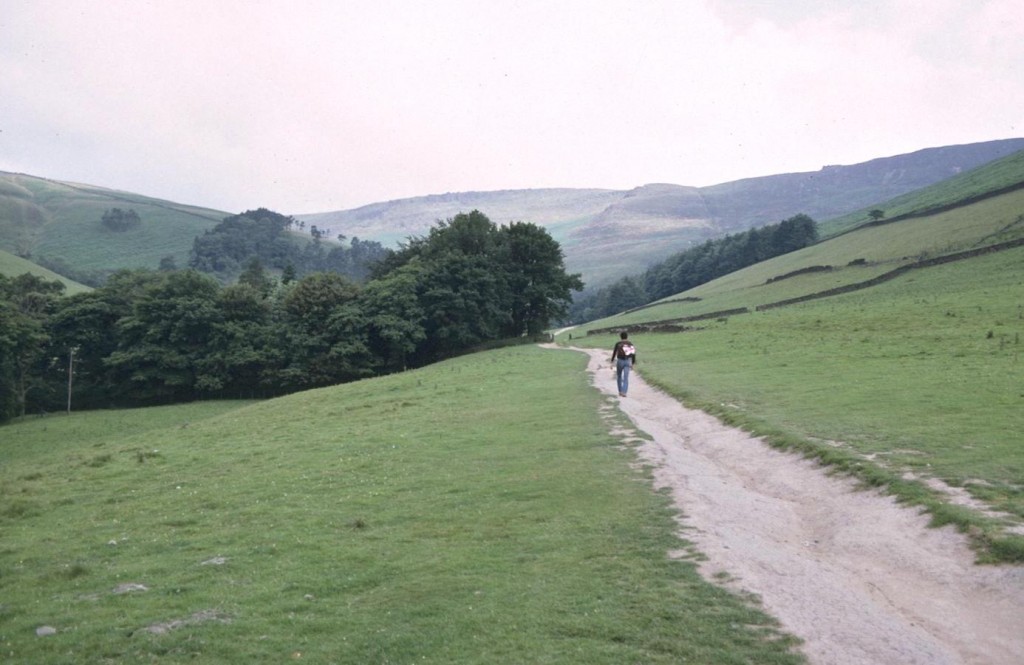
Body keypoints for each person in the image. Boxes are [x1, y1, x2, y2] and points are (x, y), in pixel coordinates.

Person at [610, 331, 636, 397]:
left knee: (619, 376)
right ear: (627, 336)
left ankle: (620, 391)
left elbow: (614, 353)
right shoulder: (630, 344)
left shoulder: (618, 343)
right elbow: (633, 354)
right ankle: (624, 392)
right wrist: (632, 363)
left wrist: (612, 362)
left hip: (620, 361)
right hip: (627, 361)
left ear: (620, 337)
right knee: (626, 377)